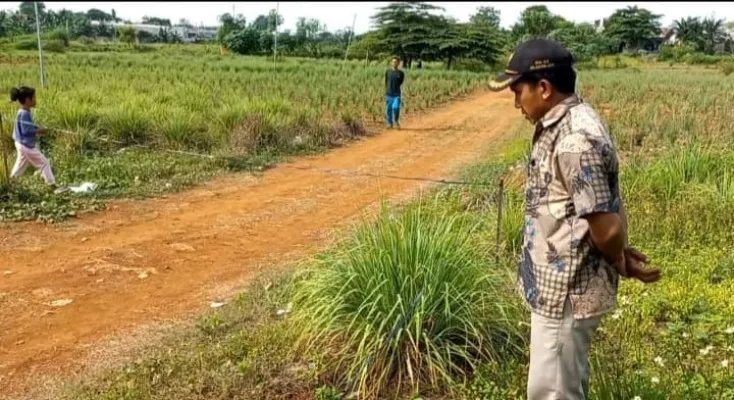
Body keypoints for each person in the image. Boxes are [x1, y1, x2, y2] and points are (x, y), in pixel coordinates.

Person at [488, 38, 661, 400]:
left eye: (517, 91)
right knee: (563, 386)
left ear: (544, 88)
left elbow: (607, 225)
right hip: (558, 286)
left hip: (566, 291)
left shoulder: (574, 141)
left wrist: (618, 257)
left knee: (552, 393)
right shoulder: (569, 120)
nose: (516, 101)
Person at [10, 86, 68, 194]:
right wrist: (40, 130)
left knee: (20, 166)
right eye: (34, 97)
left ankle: (10, 184)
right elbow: (26, 130)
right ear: (28, 100)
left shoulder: (22, 111)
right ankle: (52, 186)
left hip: (20, 143)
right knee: (44, 163)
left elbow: (27, 127)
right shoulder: (24, 113)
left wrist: (37, 127)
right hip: (26, 145)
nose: (35, 99)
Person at [384, 55, 405, 129]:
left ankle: (396, 121)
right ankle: (390, 123)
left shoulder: (401, 73)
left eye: (395, 62)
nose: (394, 63)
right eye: (393, 62)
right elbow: (386, 81)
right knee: (388, 109)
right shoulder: (388, 72)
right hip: (389, 94)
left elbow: (401, 83)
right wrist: (386, 91)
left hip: (397, 94)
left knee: (396, 107)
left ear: (398, 63)